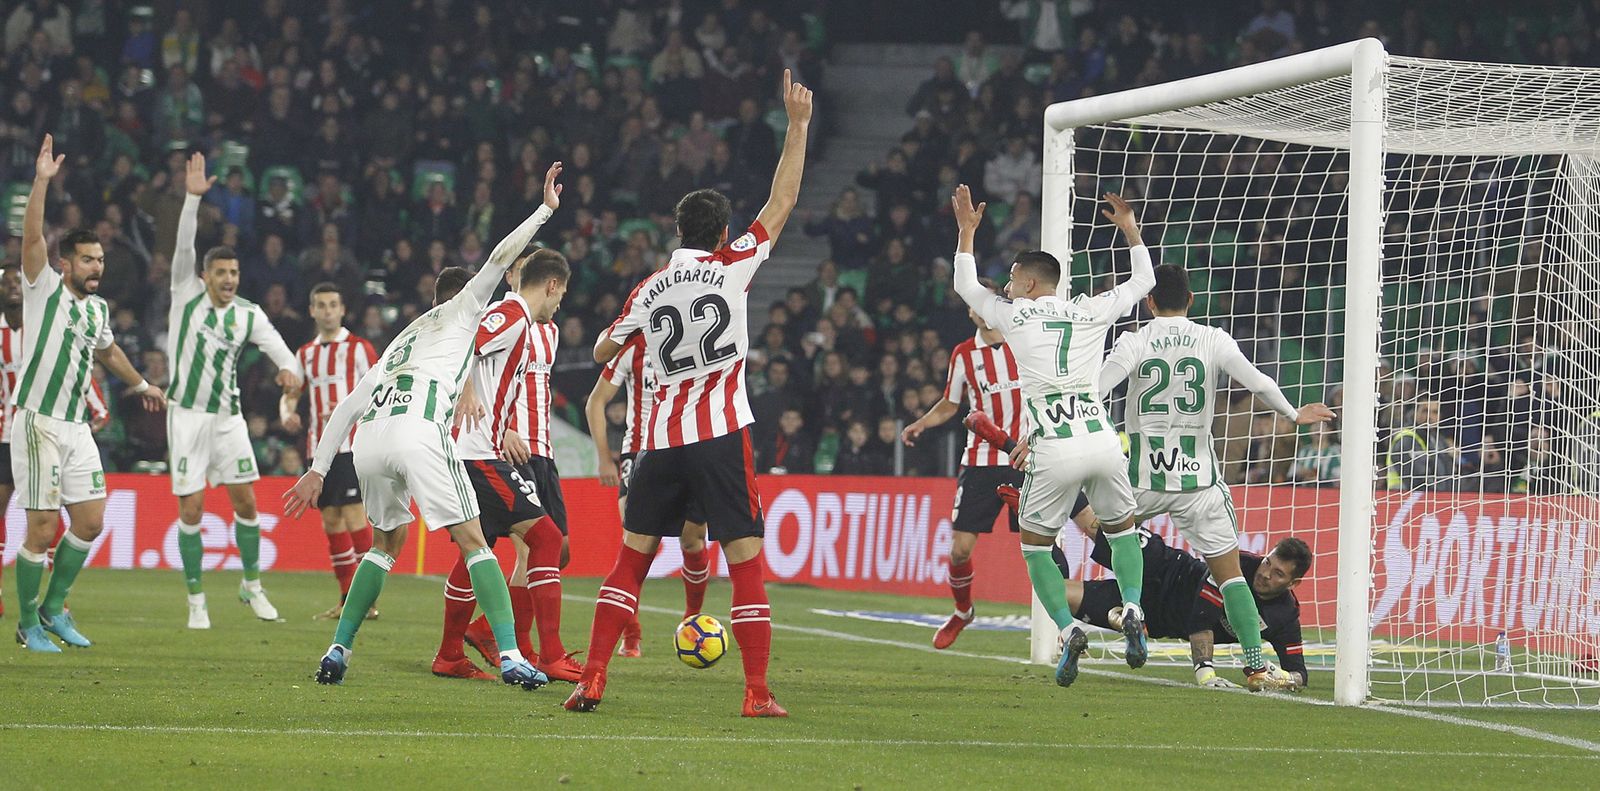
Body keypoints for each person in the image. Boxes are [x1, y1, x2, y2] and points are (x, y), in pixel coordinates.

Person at [568, 70, 813, 718]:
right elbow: (782, 203)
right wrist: (798, 125)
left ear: (677, 231)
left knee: (629, 562)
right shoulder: (732, 266)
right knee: (747, 562)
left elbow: (601, 351)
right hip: (720, 435)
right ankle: (756, 692)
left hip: (658, 442)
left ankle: (592, 678)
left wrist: (625, 344)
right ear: (721, 229)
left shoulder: (647, 290)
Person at [283, 162, 565, 690]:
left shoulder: (403, 337)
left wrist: (318, 469)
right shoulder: (467, 309)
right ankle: (510, 656)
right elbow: (500, 256)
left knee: (383, 544)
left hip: (369, 441)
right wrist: (544, 211)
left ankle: (338, 650)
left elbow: (346, 406)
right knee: (475, 542)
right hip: (418, 432)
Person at [950, 184, 1155, 684]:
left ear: (1028, 282)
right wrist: (1129, 229)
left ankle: (1067, 631)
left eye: (1016, 280)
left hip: (1054, 443)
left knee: (1037, 547)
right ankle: (1132, 608)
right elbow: (1144, 279)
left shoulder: (1014, 314)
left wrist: (966, 233)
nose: (1011, 287)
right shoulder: (1090, 309)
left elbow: (966, 287)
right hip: (1103, 440)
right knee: (1123, 531)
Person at [1097, 264, 1333, 690]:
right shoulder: (1213, 338)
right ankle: (1257, 666)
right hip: (1198, 481)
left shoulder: (1134, 340)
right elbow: (1258, 382)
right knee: (1231, 576)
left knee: (1117, 534)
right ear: (1191, 300)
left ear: (1149, 302)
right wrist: (1294, 414)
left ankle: (1130, 606)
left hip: (1142, 476)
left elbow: (1098, 389)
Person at [14, 135, 166, 652]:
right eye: (87, 260)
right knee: (40, 530)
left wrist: (142, 383)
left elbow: (109, 353)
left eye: (99, 259)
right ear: (65, 264)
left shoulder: (97, 311)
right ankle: (28, 622)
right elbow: (31, 239)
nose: (96, 266)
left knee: (91, 519)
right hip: (37, 422)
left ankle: (55, 608)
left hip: (76, 427)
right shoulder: (43, 288)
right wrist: (41, 182)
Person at [165, 152, 303, 629]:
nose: (229, 280)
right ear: (205, 276)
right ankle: (196, 599)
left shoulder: (247, 312)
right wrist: (191, 200)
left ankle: (251, 585)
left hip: (228, 419)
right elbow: (184, 247)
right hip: (186, 416)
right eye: (221, 273)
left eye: (234, 274)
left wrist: (288, 372)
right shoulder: (184, 294)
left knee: (247, 503)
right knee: (193, 508)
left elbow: (284, 354)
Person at [436, 245, 581, 684]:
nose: (559, 304)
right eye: (561, 294)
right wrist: (464, 392)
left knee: (476, 551)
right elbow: (461, 342)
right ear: (552, 285)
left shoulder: (530, 325)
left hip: (481, 450)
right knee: (546, 539)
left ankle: (448, 654)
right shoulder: (513, 314)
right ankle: (550, 654)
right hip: (474, 455)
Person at [900, 279, 1029, 649]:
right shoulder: (963, 355)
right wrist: (922, 422)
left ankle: (1064, 622)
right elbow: (950, 403)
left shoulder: (1023, 342)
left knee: (1038, 548)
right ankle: (962, 612)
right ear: (971, 311)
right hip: (981, 462)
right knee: (959, 550)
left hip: (1024, 458)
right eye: (976, 305)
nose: (982, 311)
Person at [1054, 523, 1311, 691]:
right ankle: (1057, 492)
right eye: (1267, 563)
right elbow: (1201, 617)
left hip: (1157, 617)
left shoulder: (1285, 617)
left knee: (1062, 593)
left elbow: (1300, 673)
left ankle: (1125, 621)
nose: (1265, 574)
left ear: (1294, 583)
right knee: (1099, 526)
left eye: (1278, 573)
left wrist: (1282, 677)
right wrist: (1205, 672)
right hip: (1167, 569)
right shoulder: (1238, 565)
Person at [584, 329, 712, 658]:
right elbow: (596, 401)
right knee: (635, 544)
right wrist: (604, 457)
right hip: (639, 453)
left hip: (687, 450)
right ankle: (631, 634)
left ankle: (691, 619)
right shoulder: (632, 346)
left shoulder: (697, 341)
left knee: (692, 539)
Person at [283, 283, 377, 620]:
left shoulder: (360, 348)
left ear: (342, 310)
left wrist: (356, 412)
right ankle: (346, 598)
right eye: (320, 305)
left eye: (332, 305)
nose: (327, 310)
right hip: (318, 448)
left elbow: (379, 389)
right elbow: (291, 392)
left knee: (354, 516)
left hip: (354, 445)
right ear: (312, 311)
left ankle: (368, 599)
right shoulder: (305, 353)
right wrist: (287, 413)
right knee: (332, 521)